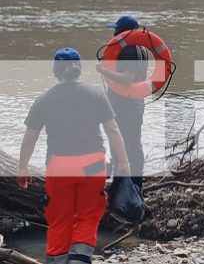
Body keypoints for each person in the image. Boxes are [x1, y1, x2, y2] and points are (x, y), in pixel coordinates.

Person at [18, 48, 130, 264]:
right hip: (92, 165)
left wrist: (23, 166)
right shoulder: (97, 94)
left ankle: (58, 261)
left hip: (59, 167)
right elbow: (113, 130)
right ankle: (79, 260)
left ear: (55, 71)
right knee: (88, 217)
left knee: (59, 219)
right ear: (79, 70)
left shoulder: (44, 99)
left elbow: (30, 138)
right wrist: (124, 162)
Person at [96, 15, 148, 190]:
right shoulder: (141, 49)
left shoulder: (128, 50)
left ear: (122, 32)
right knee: (134, 144)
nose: (113, 32)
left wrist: (104, 70)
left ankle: (121, 187)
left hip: (123, 104)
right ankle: (135, 185)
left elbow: (127, 78)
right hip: (136, 102)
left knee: (120, 144)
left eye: (116, 29)